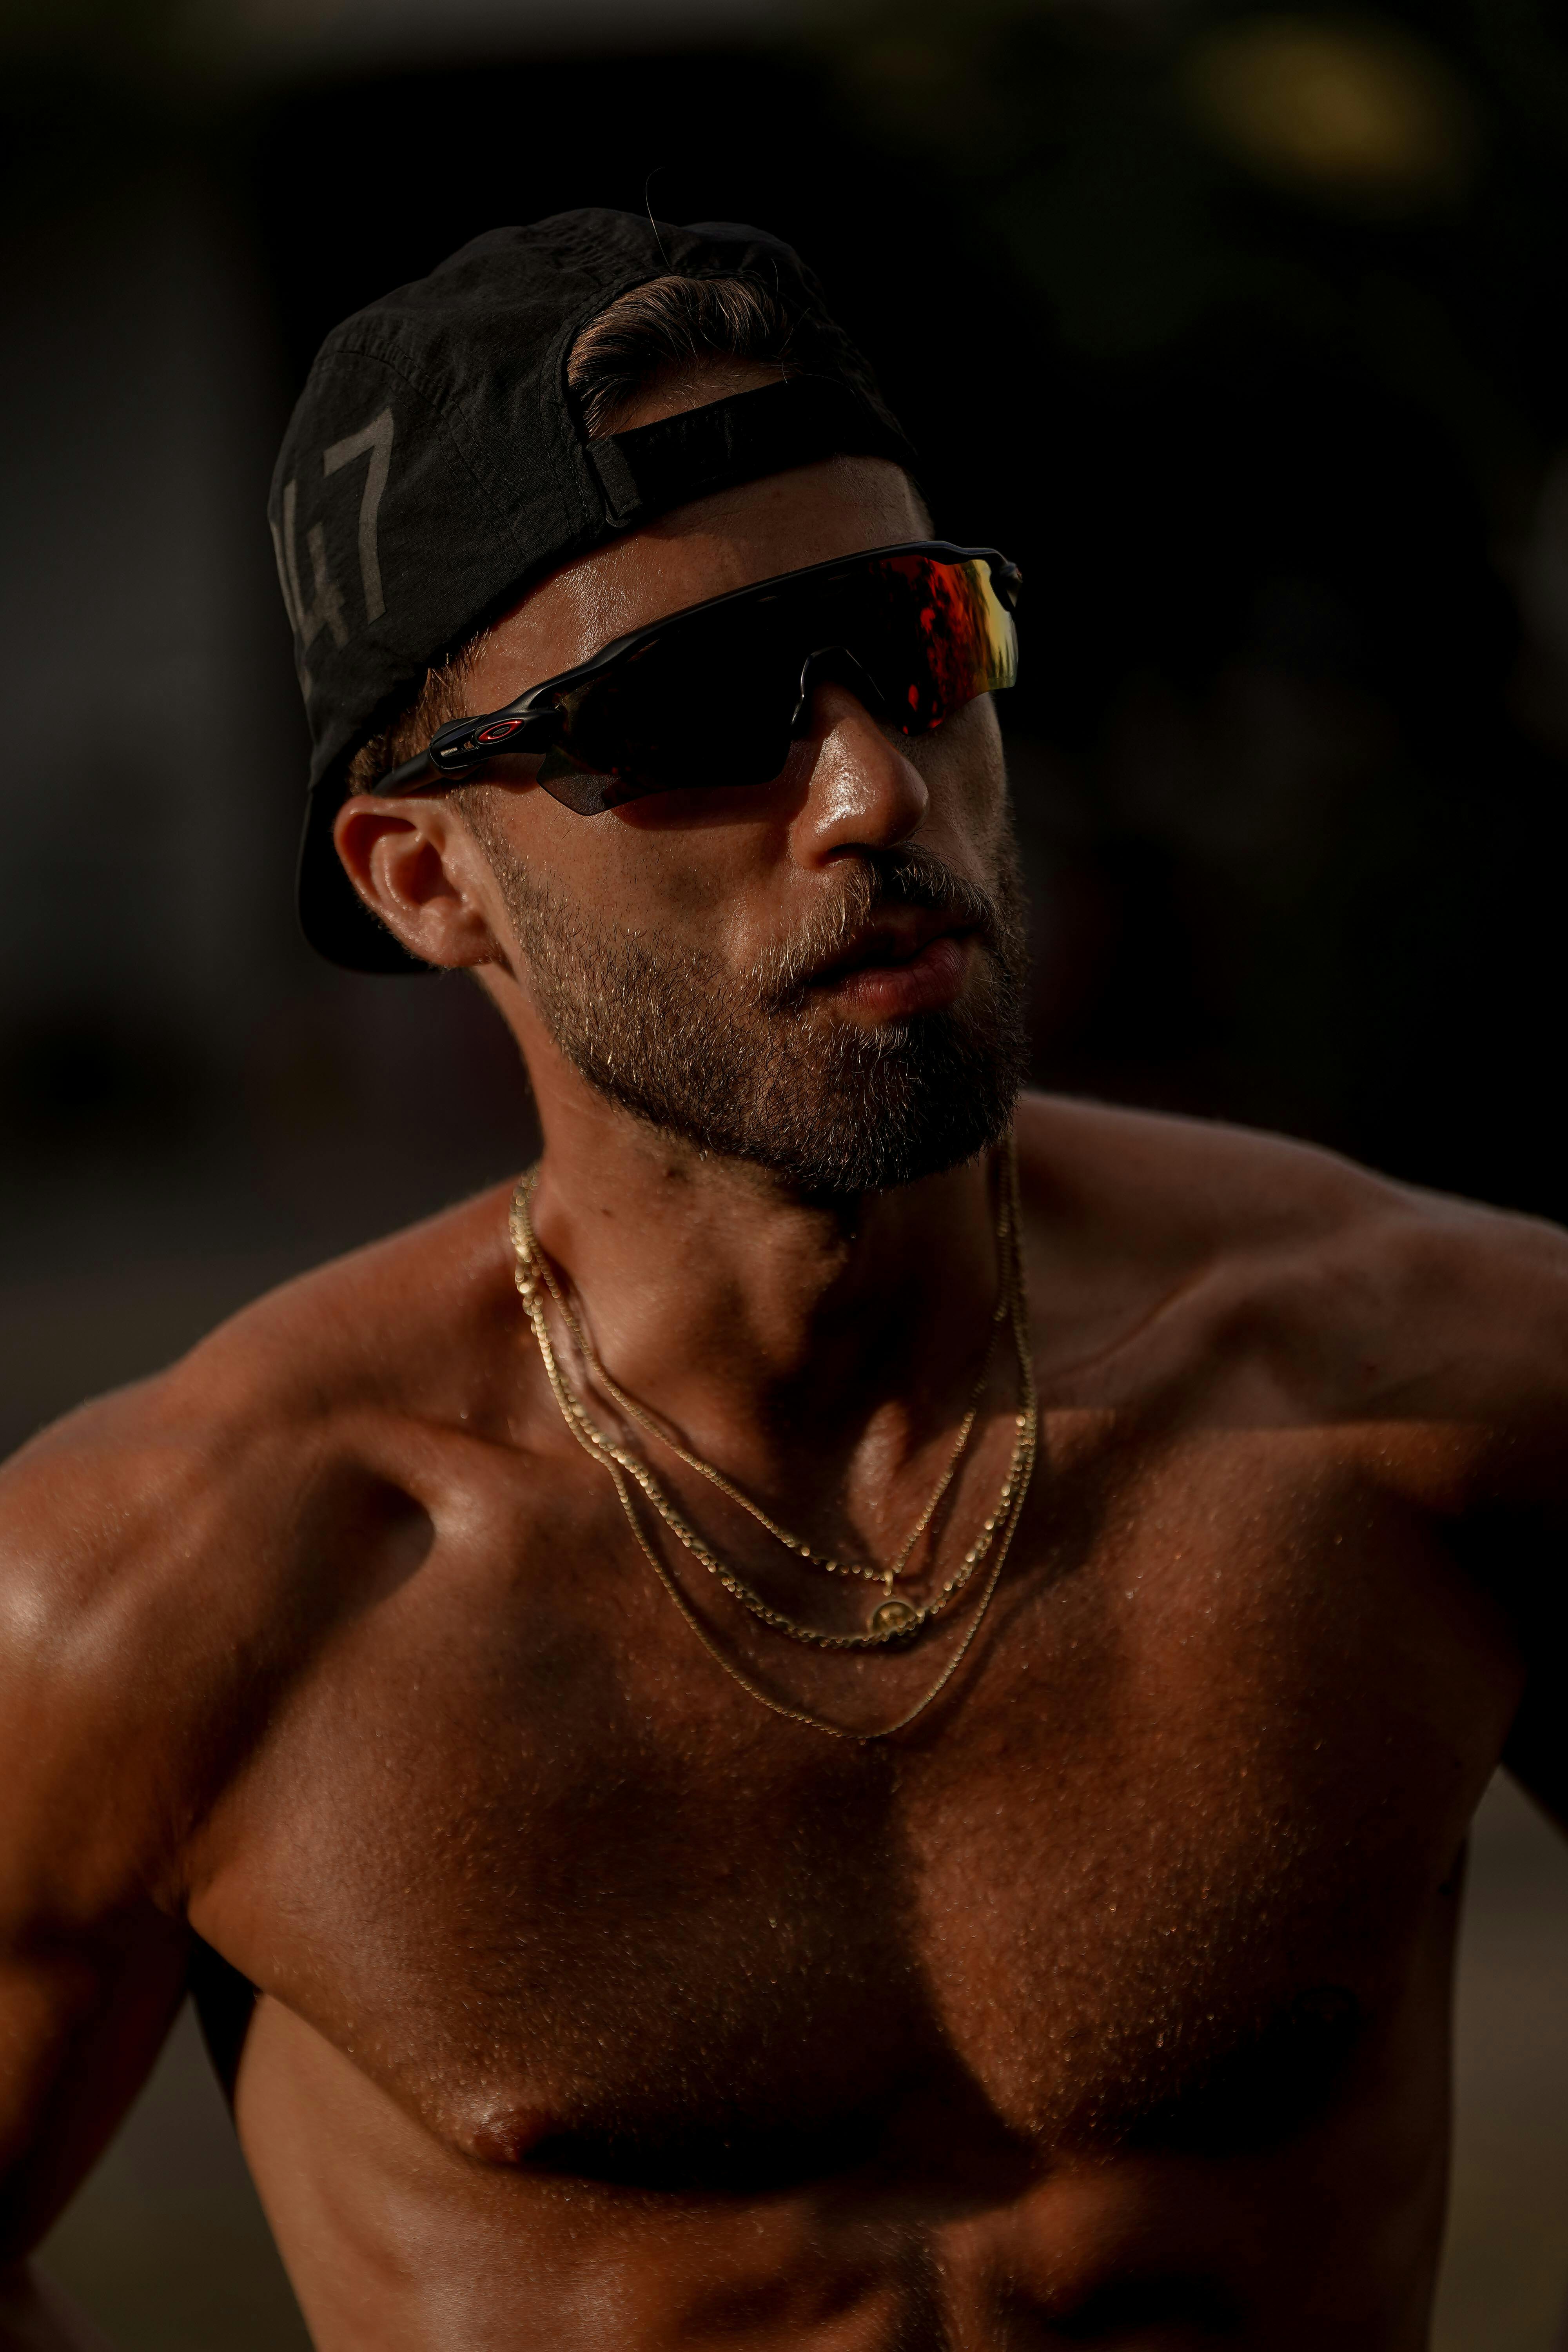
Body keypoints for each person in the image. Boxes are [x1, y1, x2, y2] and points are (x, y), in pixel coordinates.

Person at [0, 207, 1563, 2352]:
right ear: (427, 875)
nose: (871, 791)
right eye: (697, 710)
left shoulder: (1443, 1390)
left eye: (917, 641)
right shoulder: (166, 1592)